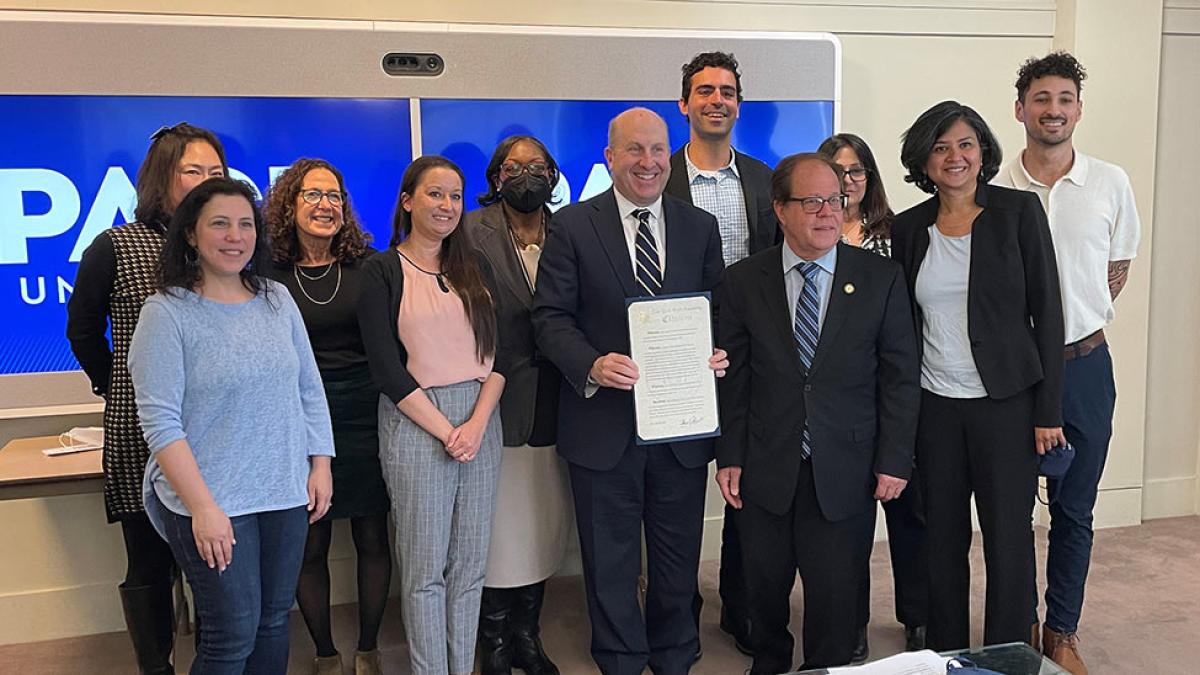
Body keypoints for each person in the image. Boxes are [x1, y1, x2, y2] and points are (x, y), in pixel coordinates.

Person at [532, 107, 727, 675]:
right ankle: (619, 657)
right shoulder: (571, 225)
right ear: (610, 157)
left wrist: (718, 352)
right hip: (603, 428)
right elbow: (549, 319)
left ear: (671, 155)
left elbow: (719, 313)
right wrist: (591, 364)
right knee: (609, 561)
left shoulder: (699, 227)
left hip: (681, 428)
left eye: (658, 150)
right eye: (635, 150)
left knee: (676, 558)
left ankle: (673, 655)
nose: (648, 162)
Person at [715, 153, 920, 672]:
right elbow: (735, 380)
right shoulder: (743, 281)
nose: (828, 212)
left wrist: (895, 459)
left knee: (835, 593)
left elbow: (898, 379)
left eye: (835, 200)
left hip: (846, 465)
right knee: (764, 585)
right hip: (766, 461)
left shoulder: (881, 279)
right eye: (812, 202)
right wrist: (730, 455)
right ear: (780, 209)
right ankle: (771, 659)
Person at [127, 177, 335, 674]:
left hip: (283, 492)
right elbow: (160, 423)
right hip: (213, 502)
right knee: (231, 633)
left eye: (245, 224)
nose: (234, 235)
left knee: (272, 623)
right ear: (192, 236)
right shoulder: (166, 313)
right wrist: (203, 509)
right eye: (219, 224)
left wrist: (320, 463)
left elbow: (309, 388)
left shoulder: (277, 300)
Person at [891, 101, 1066, 652]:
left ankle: (1007, 655)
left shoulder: (1018, 213)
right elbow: (902, 325)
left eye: (965, 144)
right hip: (935, 405)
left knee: (1007, 540)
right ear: (925, 159)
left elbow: (1049, 313)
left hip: (1006, 405)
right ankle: (948, 653)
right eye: (941, 147)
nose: (954, 156)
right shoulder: (909, 227)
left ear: (983, 151)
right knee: (941, 539)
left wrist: (1048, 413)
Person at [994, 52, 1141, 675]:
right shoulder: (993, 189)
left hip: (1084, 368)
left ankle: (1062, 631)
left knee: (1075, 508)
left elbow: (1117, 268)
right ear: (1020, 107)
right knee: (1010, 510)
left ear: (1078, 108)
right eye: (1041, 98)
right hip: (1011, 375)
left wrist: (1077, 320)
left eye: (1064, 99)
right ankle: (1019, 624)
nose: (1053, 110)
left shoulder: (1111, 181)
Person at [66, 122, 226, 675]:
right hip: (142, 433)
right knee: (150, 565)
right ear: (164, 178)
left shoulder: (228, 243)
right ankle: (155, 668)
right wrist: (115, 386)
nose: (207, 181)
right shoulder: (116, 246)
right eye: (193, 172)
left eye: (215, 172)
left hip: (217, 430)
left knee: (216, 562)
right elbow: (83, 330)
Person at [358, 155, 506, 675]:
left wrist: (477, 423)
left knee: (469, 567)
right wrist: (449, 431)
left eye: (455, 196)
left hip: (482, 419)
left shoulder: (476, 267)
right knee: (424, 572)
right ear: (407, 201)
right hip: (418, 422)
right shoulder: (380, 272)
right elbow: (386, 370)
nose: (447, 205)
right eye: (434, 194)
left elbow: (500, 356)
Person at [663, 51, 777, 655]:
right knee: (678, 492)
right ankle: (677, 615)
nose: (716, 100)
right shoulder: (658, 176)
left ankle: (743, 607)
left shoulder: (764, 179)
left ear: (739, 103)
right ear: (684, 104)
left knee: (747, 487)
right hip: (675, 356)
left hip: (751, 355)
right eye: (704, 91)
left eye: (727, 91)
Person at [264, 159, 391, 675]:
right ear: (289, 205)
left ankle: (368, 648)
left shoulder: (371, 266)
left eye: (334, 196)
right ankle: (324, 653)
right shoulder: (265, 273)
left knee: (372, 536)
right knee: (310, 541)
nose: (325, 205)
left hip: (366, 413)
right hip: (297, 418)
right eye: (312, 195)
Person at [817, 133, 928, 659]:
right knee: (848, 528)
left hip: (896, 387)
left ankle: (918, 618)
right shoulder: (809, 229)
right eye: (836, 171)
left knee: (909, 515)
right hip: (839, 404)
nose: (847, 180)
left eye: (857, 170)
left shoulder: (899, 231)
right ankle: (850, 625)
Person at [465, 136, 571, 675]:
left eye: (536, 166)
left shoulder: (574, 228)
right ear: (495, 177)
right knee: (496, 529)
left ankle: (528, 636)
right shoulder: (467, 230)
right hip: (491, 402)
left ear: (553, 175)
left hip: (558, 398)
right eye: (513, 166)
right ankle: (495, 642)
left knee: (540, 523)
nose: (525, 174)